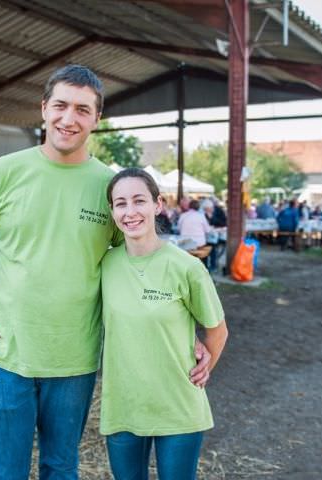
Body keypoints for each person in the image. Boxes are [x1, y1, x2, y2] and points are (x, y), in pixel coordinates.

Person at [0, 65, 211, 480]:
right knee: (4, 472)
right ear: (43, 109)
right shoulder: (3, 172)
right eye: (60, 105)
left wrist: (187, 333)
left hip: (75, 361)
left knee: (61, 468)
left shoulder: (111, 188)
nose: (68, 118)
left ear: (96, 119)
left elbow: (138, 267)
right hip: (5, 355)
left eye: (82, 109)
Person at [101, 168, 228, 480]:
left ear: (158, 205)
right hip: (124, 405)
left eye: (139, 201)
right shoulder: (105, 264)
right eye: (120, 203)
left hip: (177, 404)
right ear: (112, 211)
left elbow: (217, 330)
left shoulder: (187, 267)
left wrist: (205, 365)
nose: (130, 212)